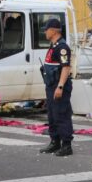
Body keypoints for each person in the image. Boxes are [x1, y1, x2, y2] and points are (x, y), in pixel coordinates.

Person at [38, 18, 74, 157]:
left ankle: (66, 145)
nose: (45, 32)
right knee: (52, 115)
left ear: (53, 31)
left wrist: (60, 87)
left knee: (62, 114)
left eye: (46, 30)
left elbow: (66, 68)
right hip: (51, 85)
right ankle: (55, 142)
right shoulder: (53, 45)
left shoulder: (62, 47)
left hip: (59, 86)